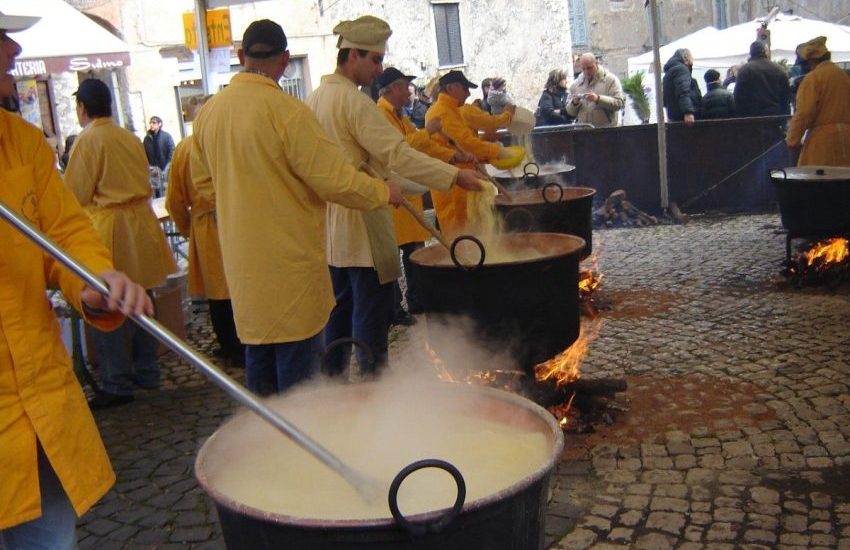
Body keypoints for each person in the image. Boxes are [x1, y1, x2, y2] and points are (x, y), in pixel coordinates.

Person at [0, 10, 154, 547]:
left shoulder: (20, 142)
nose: (13, 54)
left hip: (37, 406)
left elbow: (64, 230)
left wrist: (91, 278)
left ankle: (129, 377)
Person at [192, 19, 402, 396]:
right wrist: (382, 192)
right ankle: (301, 450)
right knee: (299, 384)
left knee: (260, 370)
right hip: (290, 269)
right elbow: (334, 180)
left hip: (243, 268)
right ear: (286, 60)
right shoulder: (286, 111)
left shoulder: (208, 115)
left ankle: (266, 448)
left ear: (241, 56)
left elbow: (203, 186)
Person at [305, 16, 483, 378]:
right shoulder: (354, 104)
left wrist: (437, 177)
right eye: (374, 60)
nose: (379, 69)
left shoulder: (315, 98)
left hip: (333, 231)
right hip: (364, 225)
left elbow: (380, 166)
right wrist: (453, 176)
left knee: (339, 312)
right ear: (350, 54)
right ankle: (375, 389)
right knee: (370, 316)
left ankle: (332, 384)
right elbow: (398, 156)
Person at [64, 78, 177, 408]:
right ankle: (148, 370)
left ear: (82, 108)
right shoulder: (128, 137)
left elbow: (73, 194)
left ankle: (117, 380)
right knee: (142, 298)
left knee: (109, 300)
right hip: (139, 224)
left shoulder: (89, 141)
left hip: (111, 227)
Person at [376, 67, 469, 325]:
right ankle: (395, 308)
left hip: (409, 189)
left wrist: (453, 157)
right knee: (391, 254)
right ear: (393, 88)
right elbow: (402, 148)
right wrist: (427, 131)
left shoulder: (399, 114)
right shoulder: (380, 114)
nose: (408, 92)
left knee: (412, 248)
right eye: (405, 87)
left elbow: (422, 145)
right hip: (392, 190)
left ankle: (415, 300)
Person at [166, 131, 244, 366]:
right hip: (240, 219)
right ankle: (243, 343)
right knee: (236, 283)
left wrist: (188, 229)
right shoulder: (233, 139)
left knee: (218, 289)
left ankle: (231, 344)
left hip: (207, 224)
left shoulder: (187, 147)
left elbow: (175, 199)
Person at [425, 69, 511, 235]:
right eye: (465, 89)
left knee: (475, 236)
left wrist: (487, 150)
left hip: (465, 180)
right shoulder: (441, 111)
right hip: (454, 187)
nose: (468, 93)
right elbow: (466, 144)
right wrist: (498, 151)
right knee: (462, 238)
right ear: (451, 88)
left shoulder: (453, 109)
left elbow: (465, 143)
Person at [786, 36, 850, 167]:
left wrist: (792, 140)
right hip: (847, 141)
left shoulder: (813, 79)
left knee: (821, 185)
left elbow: (804, 113)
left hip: (822, 145)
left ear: (810, 61)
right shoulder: (844, 77)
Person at [566, 53, 625, 128]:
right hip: (583, 133)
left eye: (590, 68)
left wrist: (598, 99)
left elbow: (619, 103)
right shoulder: (575, 84)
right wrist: (574, 103)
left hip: (606, 132)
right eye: (583, 68)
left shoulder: (611, 80)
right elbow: (570, 112)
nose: (586, 71)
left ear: (596, 64)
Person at [734, 41, 790, 118]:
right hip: (775, 116)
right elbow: (785, 96)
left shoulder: (744, 70)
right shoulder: (779, 70)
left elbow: (738, 96)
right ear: (766, 51)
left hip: (751, 117)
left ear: (751, 53)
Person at [662, 48, 701, 126]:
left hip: (674, 116)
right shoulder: (681, 69)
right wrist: (688, 111)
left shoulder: (669, 73)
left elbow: (665, 97)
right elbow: (683, 90)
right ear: (686, 58)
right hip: (684, 116)